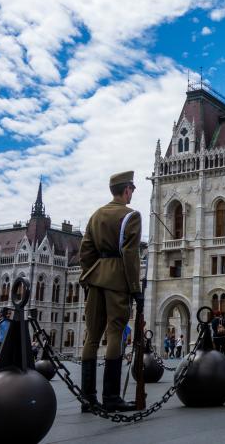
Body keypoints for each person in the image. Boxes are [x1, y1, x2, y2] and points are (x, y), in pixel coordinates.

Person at [79, 170, 142, 413]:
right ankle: (111, 397)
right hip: (117, 280)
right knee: (115, 333)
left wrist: (91, 273)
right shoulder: (131, 216)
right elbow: (129, 256)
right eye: (132, 189)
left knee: (92, 337)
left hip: (95, 279)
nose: (132, 193)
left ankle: (88, 398)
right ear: (126, 190)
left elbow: (85, 251)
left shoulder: (96, 215)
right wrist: (135, 287)